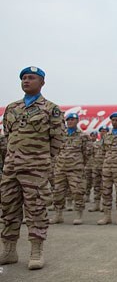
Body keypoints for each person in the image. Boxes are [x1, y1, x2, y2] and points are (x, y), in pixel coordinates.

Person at [0, 66, 65, 270]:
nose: (26, 81)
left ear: (42, 82)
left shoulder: (51, 109)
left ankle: (36, 251)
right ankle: (9, 250)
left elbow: (58, 140)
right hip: (11, 169)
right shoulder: (11, 108)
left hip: (35, 170)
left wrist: (41, 160)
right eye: (24, 78)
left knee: (36, 209)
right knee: (8, 209)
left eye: (31, 78)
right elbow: (8, 136)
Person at [49, 113, 91, 225]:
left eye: (73, 119)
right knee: (57, 192)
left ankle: (78, 215)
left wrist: (79, 163)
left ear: (77, 121)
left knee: (77, 192)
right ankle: (58, 215)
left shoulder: (83, 136)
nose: (70, 121)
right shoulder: (60, 135)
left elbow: (87, 153)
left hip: (75, 169)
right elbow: (55, 150)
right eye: (68, 120)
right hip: (60, 168)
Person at [88, 126, 108, 213]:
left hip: (105, 167)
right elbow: (91, 155)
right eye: (101, 131)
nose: (103, 132)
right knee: (96, 186)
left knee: (105, 187)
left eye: (105, 131)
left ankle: (104, 204)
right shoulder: (95, 144)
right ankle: (96, 204)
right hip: (96, 167)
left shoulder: (110, 143)